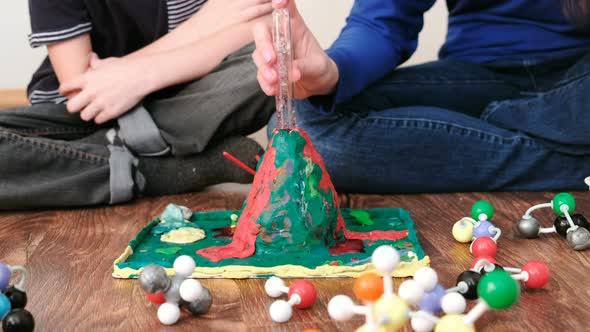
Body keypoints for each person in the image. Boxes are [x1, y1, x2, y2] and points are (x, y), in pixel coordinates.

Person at [253, 0, 590, 193]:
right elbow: (382, 24)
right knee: (304, 131)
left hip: (581, 75)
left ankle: (522, 121)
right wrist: (330, 72)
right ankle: (568, 156)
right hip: (483, 75)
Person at [0, 0, 276, 210]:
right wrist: (203, 26)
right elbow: (84, 88)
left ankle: (91, 160)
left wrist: (141, 75)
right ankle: (153, 173)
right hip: (84, 117)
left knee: (272, 63)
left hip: (186, 100)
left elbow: (264, 24)